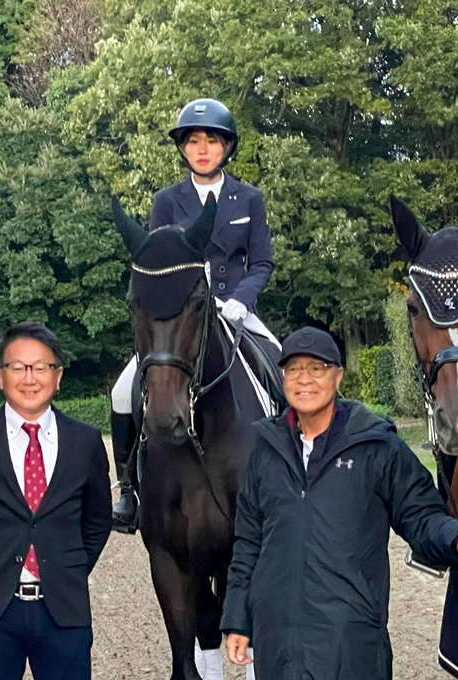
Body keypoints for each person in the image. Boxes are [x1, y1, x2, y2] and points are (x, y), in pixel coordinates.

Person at [220, 327, 458, 680]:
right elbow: (248, 542)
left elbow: (420, 513)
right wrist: (238, 620)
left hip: (350, 645)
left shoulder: (376, 446)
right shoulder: (265, 448)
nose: (304, 379)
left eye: (317, 368)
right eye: (294, 369)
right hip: (278, 646)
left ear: (338, 377)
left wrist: (453, 537)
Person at [109, 97, 279, 532]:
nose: (202, 149)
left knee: (283, 368)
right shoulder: (167, 201)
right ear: (183, 148)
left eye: (212, 141)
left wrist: (240, 300)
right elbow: (159, 260)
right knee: (122, 389)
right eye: (193, 141)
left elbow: (261, 262)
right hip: (182, 316)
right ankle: (128, 487)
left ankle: (293, 476)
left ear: (227, 148)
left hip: (237, 311)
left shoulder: (249, 199)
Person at [0, 322, 113, 680]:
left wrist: (65, 567)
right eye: (18, 367)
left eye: (40, 367)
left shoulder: (86, 442)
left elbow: (98, 521)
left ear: (57, 375)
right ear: (1, 376)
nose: (29, 378)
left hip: (65, 615)